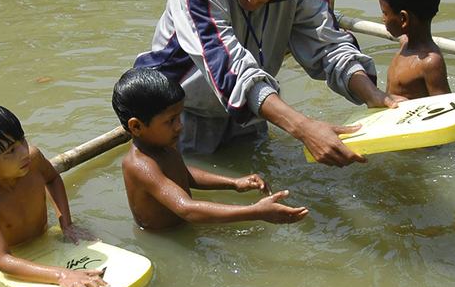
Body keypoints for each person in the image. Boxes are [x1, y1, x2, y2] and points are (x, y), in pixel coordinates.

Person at [132, 0, 404, 167]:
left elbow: (328, 44)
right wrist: (303, 128)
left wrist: (373, 96)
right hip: (181, 114)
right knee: (194, 189)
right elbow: (231, 70)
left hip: (256, 105)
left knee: (255, 182)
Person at [113, 67, 309, 230]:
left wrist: (233, 183)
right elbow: (187, 210)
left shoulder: (162, 145)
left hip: (184, 228)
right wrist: (255, 212)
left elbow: (184, 174)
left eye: (179, 116)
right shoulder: (140, 165)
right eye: (170, 121)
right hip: (165, 238)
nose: (179, 126)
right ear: (136, 127)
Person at [0, 102, 107, 287]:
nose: (23, 152)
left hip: (40, 238)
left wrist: (66, 224)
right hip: (0, 251)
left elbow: (52, 179)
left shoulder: (33, 159)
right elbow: (2, 260)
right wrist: (62, 274)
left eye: (22, 140)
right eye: (10, 151)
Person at [379, 0, 451, 100]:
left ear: (403, 19)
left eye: (385, 13)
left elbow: (445, 107)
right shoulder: (404, 42)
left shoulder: (430, 63)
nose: (382, 19)